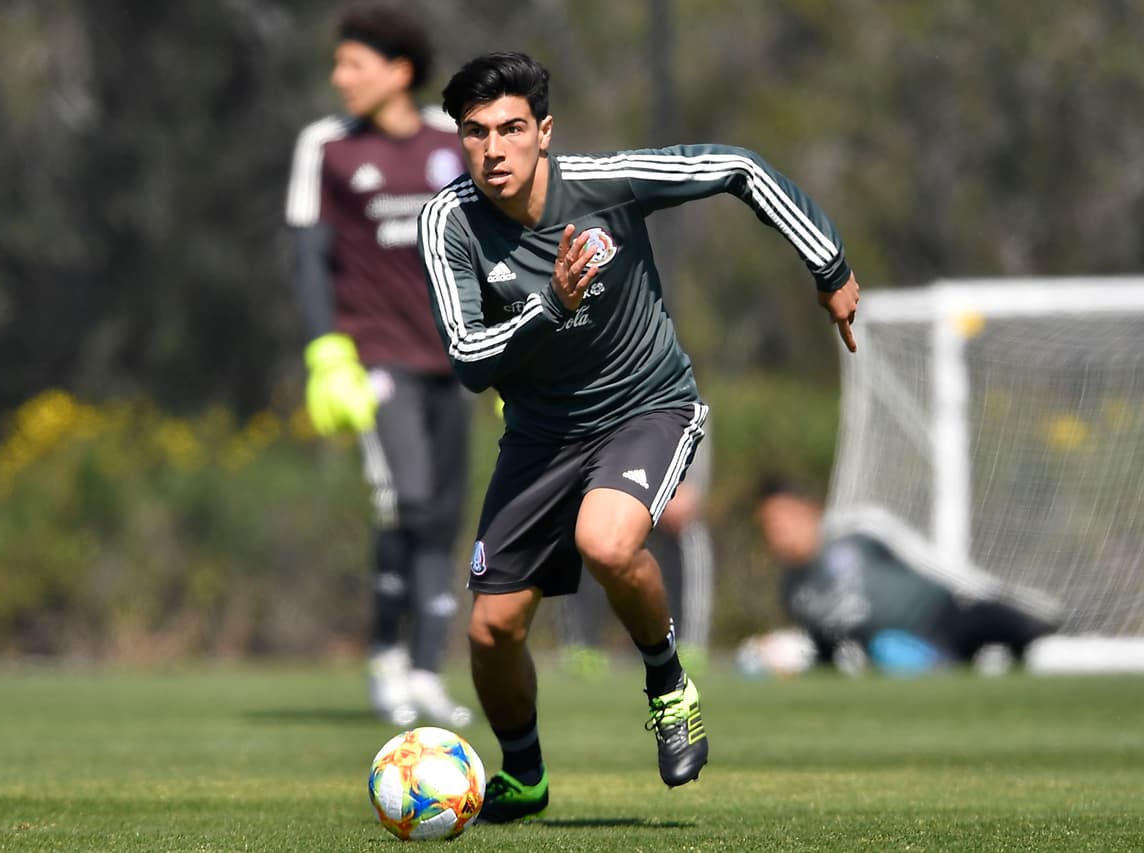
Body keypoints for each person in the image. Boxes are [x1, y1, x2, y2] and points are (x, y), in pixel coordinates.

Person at [417, 52, 860, 822]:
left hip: (647, 407)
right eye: (476, 132)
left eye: (512, 128)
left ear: (544, 131)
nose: (494, 149)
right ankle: (523, 775)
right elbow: (467, 360)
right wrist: (552, 304)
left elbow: (736, 167)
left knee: (608, 541)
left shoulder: (605, 183)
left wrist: (828, 263)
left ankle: (666, 681)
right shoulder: (449, 222)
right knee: (491, 631)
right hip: (538, 437)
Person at [285, 6, 472, 728]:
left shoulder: (450, 142)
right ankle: (386, 660)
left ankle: (425, 671)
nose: (339, 78)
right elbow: (309, 258)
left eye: (352, 64)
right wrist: (325, 351)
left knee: (443, 518)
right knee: (410, 501)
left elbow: (485, 249)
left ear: (398, 71)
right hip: (374, 358)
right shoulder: (326, 147)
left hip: (452, 359)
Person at [754, 481, 1059, 673]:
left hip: (947, 614)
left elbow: (932, 562)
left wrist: (990, 591)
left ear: (809, 511)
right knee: (894, 651)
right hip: (905, 652)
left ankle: (1028, 622)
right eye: (769, 527)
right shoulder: (793, 592)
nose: (779, 533)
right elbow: (826, 651)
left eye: (784, 520)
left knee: (1016, 628)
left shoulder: (858, 532)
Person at [558, 437, 716, 678]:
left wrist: (681, 483)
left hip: (662, 442)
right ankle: (582, 646)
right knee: (584, 527)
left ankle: (688, 644)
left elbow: (690, 414)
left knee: (685, 523)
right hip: (607, 460)